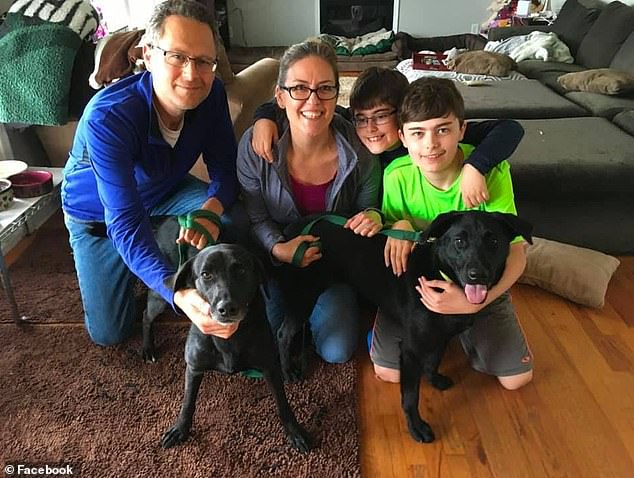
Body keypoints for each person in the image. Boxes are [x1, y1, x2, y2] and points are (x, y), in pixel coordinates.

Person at [62, 0, 245, 346]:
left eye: (204, 61)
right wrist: (177, 293)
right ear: (148, 55)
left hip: (166, 191)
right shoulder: (109, 118)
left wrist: (212, 210)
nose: (192, 74)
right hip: (98, 218)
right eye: (176, 56)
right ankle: (145, 257)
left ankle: (160, 239)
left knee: (234, 217)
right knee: (109, 334)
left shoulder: (212, 93)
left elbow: (225, 168)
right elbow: (124, 222)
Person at [367, 77, 533, 390]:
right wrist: (397, 227)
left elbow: (516, 252)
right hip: (420, 285)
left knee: (517, 379)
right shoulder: (396, 175)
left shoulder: (492, 172)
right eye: (418, 133)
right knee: (391, 372)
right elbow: (392, 239)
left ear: (462, 129)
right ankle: (440, 330)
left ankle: (463, 327)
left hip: (480, 281)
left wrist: (475, 304)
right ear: (402, 137)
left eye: (443, 129)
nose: (430, 144)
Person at [237, 39, 381, 364]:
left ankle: (317, 317)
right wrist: (278, 249)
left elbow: (368, 208)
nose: (313, 101)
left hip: (332, 266)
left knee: (338, 351)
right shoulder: (255, 147)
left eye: (325, 88)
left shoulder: (360, 151)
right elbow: (256, 217)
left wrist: (373, 216)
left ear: (336, 93)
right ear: (280, 96)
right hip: (277, 263)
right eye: (300, 88)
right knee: (263, 343)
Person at [249, 66, 525, 213]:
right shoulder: (350, 125)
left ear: (403, 116)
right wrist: (264, 117)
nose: (370, 128)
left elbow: (509, 128)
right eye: (362, 118)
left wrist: (475, 166)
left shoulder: (428, 138)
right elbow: (308, 108)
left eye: (381, 116)